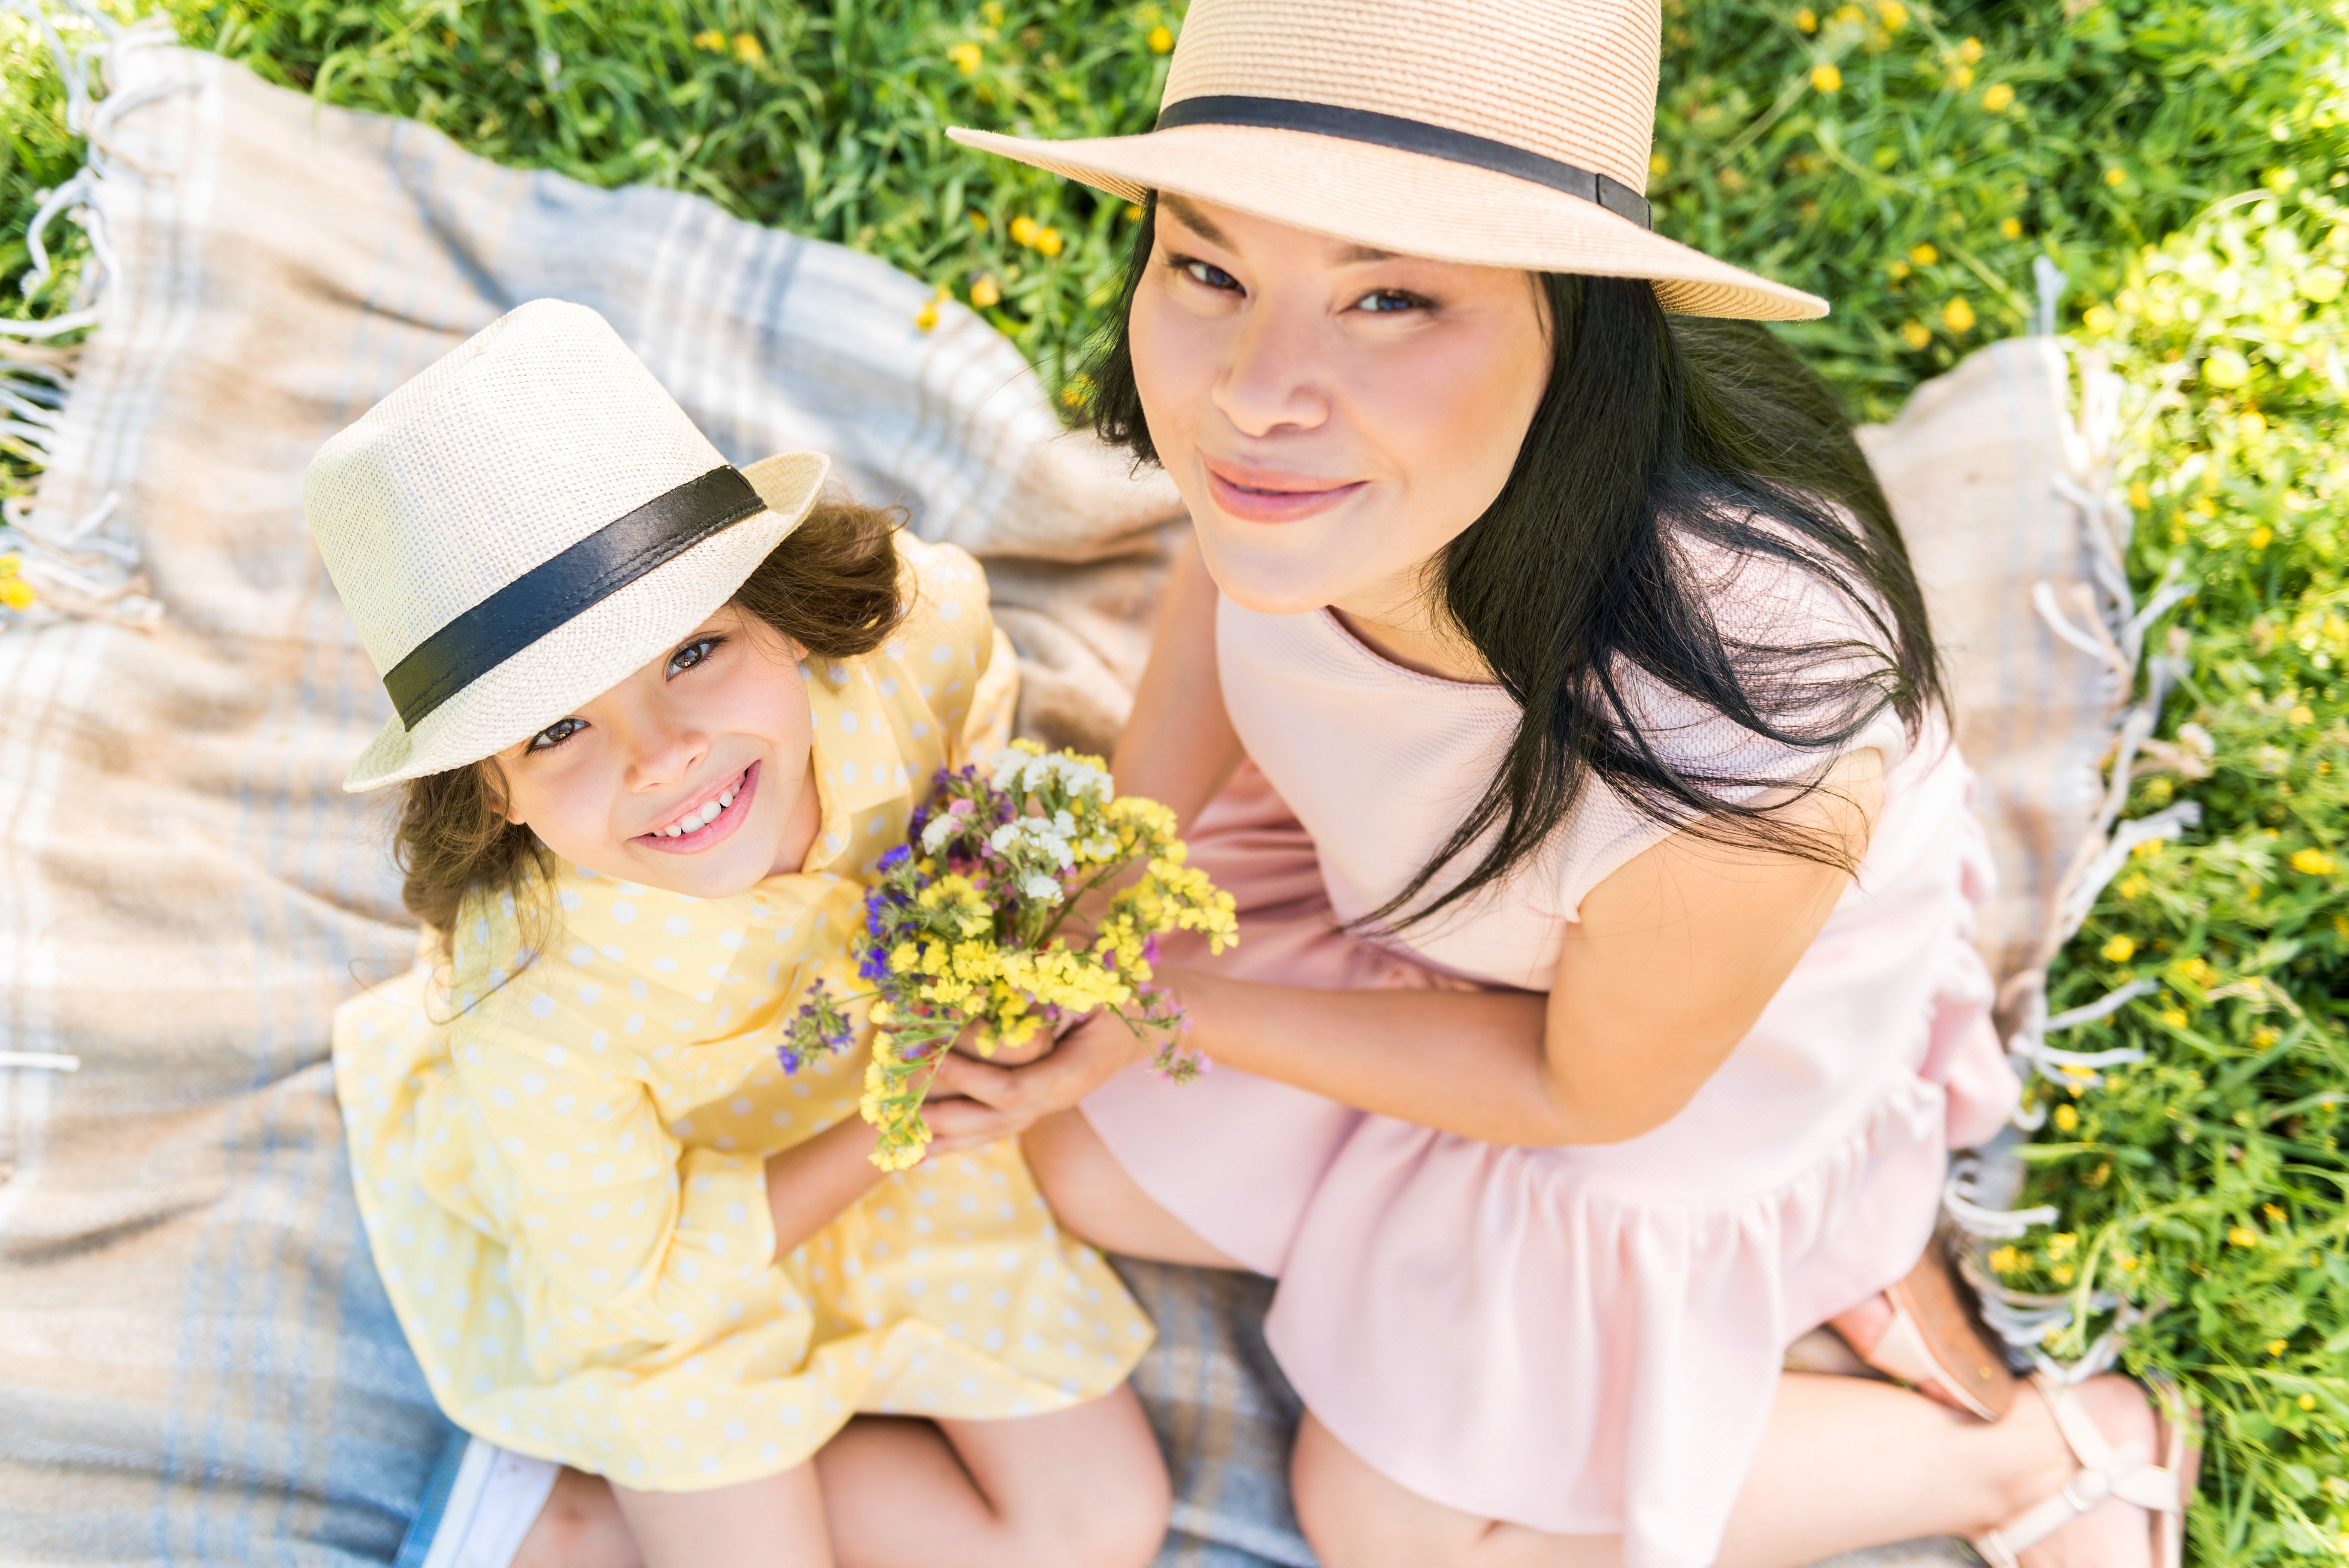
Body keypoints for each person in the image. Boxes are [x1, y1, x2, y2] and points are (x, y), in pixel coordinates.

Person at [935, 2, 2198, 1566]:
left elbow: (1583, 1089)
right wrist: (1128, 858)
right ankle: (1448, 1257)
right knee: (1072, 1155)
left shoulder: (1752, 721)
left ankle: (2031, 1452)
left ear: (1575, 318)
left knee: (1385, 1520)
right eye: (1208, 269)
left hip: (1655, 1069)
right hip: (1417, 903)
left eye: (1389, 298)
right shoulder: (1307, 480)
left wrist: (1158, 1003)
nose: (1254, 396)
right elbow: (1219, 577)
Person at [315, 300, 1168, 1568]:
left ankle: (593, 1512)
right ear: (487, 794)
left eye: (694, 650)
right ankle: (556, 1507)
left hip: (884, 1109)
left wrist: (997, 914)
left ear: (774, 604)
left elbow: (976, 736)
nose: (665, 758)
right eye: (554, 731)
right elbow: (632, 1283)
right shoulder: (536, 1001)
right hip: (672, 1227)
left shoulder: (917, 638)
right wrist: (895, 1122)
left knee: (1101, 1524)